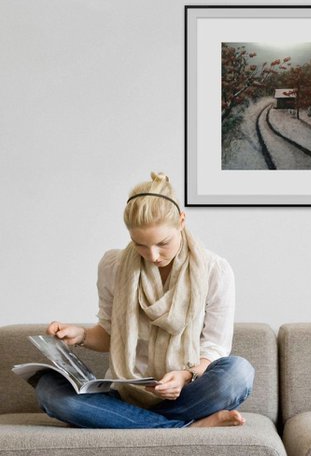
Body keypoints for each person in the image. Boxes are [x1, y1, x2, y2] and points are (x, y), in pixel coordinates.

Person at [34, 172, 254, 429]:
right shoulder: (113, 266)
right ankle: (184, 428)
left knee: (239, 373)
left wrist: (184, 376)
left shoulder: (215, 270)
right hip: (124, 394)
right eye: (139, 244)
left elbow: (214, 347)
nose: (152, 255)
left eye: (163, 243)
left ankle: (130, 423)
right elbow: (110, 334)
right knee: (48, 390)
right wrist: (80, 334)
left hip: (186, 393)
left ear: (182, 222)